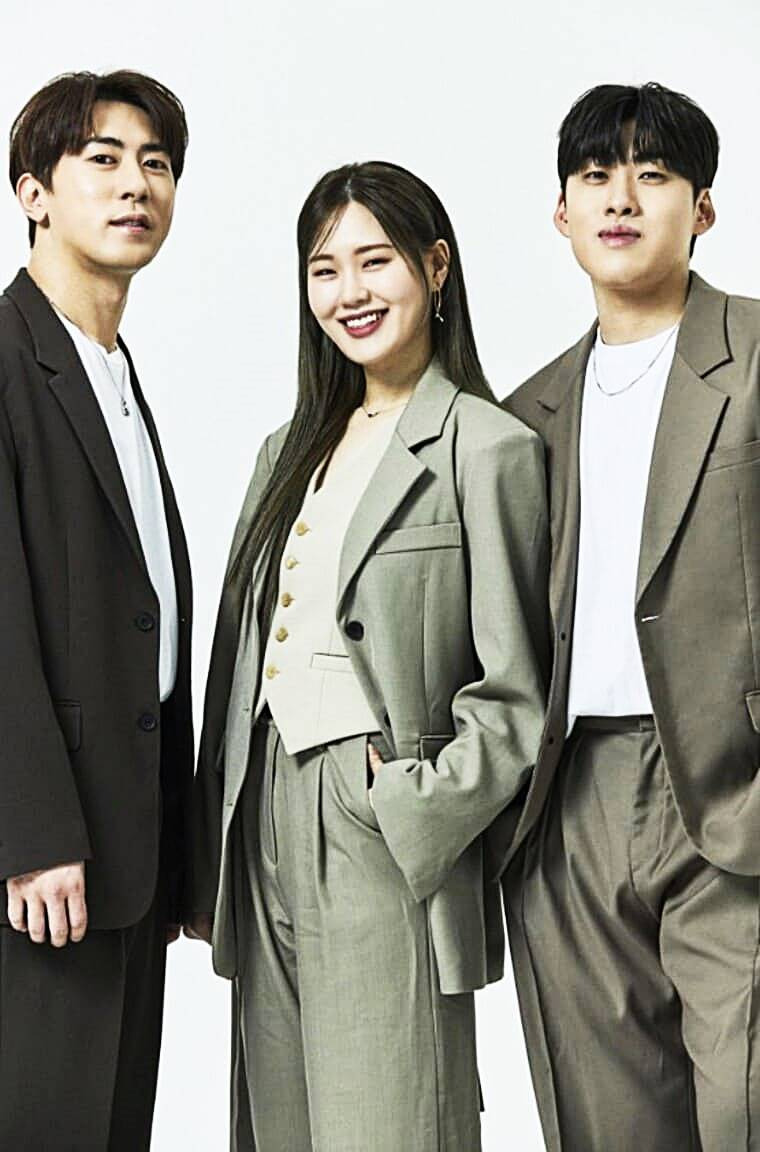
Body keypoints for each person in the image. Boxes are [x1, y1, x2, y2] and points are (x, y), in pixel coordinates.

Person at [188, 160, 549, 1152]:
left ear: (435, 267)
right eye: (324, 269)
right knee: (282, 1126)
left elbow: (519, 692)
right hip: (260, 811)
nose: (348, 291)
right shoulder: (285, 451)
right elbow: (235, 661)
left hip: (380, 818)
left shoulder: (487, 447)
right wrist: (210, 843)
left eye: (374, 260)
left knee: (386, 1124)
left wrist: (411, 802)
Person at [502, 82, 760, 1152]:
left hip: (734, 787)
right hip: (570, 804)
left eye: (652, 174)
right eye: (596, 175)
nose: (621, 197)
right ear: (561, 212)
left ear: (702, 208)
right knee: (609, 1125)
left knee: (743, 1102)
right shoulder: (524, 416)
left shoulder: (755, 353)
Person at [0, 70, 193, 1151]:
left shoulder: (112, 369)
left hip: (127, 856)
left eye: (156, 163)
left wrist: (179, 851)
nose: (137, 185)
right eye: (104, 159)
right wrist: (30, 835)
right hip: (44, 861)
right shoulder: (6, 356)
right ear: (33, 192)